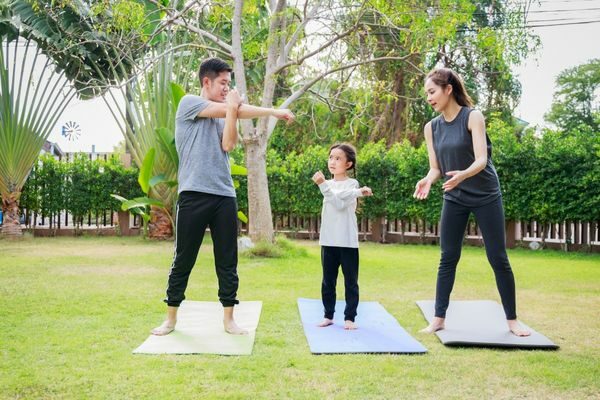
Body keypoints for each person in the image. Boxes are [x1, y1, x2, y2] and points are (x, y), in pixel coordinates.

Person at [152, 57, 295, 336]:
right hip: (194, 194)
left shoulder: (223, 116)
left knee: (227, 260)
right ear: (207, 82)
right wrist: (271, 111)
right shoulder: (189, 104)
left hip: (223, 195)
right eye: (223, 83)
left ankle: (229, 320)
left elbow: (229, 143)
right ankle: (170, 319)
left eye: (229, 84)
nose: (226, 89)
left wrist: (238, 110)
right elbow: (233, 109)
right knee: (184, 258)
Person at [413, 67, 530, 337]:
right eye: (426, 94)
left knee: (498, 257)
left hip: (485, 194)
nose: (428, 98)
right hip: (454, 196)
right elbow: (436, 167)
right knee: (448, 257)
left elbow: (481, 160)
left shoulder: (473, 116)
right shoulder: (431, 127)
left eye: (432, 92)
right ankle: (439, 318)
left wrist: (463, 175)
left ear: (448, 89)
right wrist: (429, 179)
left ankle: (512, 321)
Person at [311, 143, 372, 330]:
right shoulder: (328, 185)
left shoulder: (351, 184)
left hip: (347, 241)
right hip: (328, 240)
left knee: (350, 281)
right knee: (328, 280)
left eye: (338, 158)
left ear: (348, 164)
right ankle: (328, 315)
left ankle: (349, 318)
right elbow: (334, 198)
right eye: (331, 157)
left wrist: (324, 186)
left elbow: (338, 202)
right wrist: (357, 193)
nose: (333, 161)